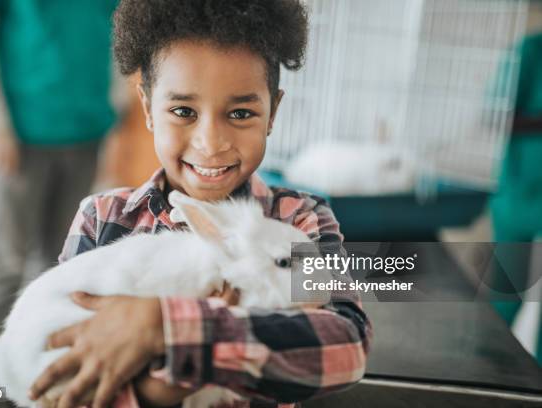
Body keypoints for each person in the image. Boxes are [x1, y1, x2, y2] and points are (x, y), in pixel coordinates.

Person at [27, 1, 373, 407]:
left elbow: (346, 347)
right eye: (183, 111)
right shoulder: (102, 219)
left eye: (241, 112)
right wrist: (160, 390)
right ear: (148, 109)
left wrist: (168, 327)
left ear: (272, 112)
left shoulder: (301, 218)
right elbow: (66, 366)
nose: (210, 143)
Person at [0, 0, 128, 402]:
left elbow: (114, 27)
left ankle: (34, 380)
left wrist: (116, 107)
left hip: (86, 129)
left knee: (58, 265)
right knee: (5, 261)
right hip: (18, 134)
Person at [490, 31, 542, 366]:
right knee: (506, 294)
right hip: (520, 192)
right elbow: (498, 117)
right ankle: (486, 374)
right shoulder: (531, 51)